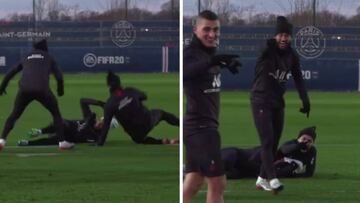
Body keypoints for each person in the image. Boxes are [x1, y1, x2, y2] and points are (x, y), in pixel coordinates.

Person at [183, 10, 241, 203]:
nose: (212, 34)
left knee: (194, 181)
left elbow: (204, 70)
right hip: (200, 129)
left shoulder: (209, 53)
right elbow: (186, 72)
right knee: (217, 183)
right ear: (195, 30)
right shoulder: (191, 53)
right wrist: (212, 61)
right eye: (206, 29)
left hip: (201, 128)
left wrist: (222, 64)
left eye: (216, 30)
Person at [250, 16, 310, 193]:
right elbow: (263, 49)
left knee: (274, 142)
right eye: (280, 35)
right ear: (275, 36)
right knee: (267, 140)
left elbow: (298, 78)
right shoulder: (267, 49)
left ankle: (261, 179)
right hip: (260, 99)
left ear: (291, 37)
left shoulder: (292, 56)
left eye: (287, 35)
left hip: (277, 102)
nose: (284, 38)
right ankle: (273, 178)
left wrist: (305, 100)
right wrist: (270, 44)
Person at [0, 39, 74, 151]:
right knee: (56, 114)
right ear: (45, 48)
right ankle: (62, 142)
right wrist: (60, 91)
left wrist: (2, 88)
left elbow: (10, 73)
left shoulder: (26, 56)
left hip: (24, 90)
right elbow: (59, 76)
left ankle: (2, 140)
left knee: (14, 115)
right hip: (42, 90)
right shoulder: (49, 57)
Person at [94, 71, 179, 146]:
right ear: (120, 83)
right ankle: (182, 125)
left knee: (140, 139)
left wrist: (100, 143)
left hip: (136, 134)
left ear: (109, 87)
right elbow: (144, 96)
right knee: (162, 114)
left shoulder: (109, 104)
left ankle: (161, 142)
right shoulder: (130, 90)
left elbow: (106, 126)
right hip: (148, 120)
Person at [221, 126, 317, 179]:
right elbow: (283, 150)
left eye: (309, 141)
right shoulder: (292, 144)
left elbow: (309, 173)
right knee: (230, 158)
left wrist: (293, 175)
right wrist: (299, 146)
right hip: (242, 156)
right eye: (303, 139)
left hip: (253, 168)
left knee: (236, 174)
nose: (305, 142)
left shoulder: (312, 152)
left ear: (313, 143)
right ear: (298, 138)